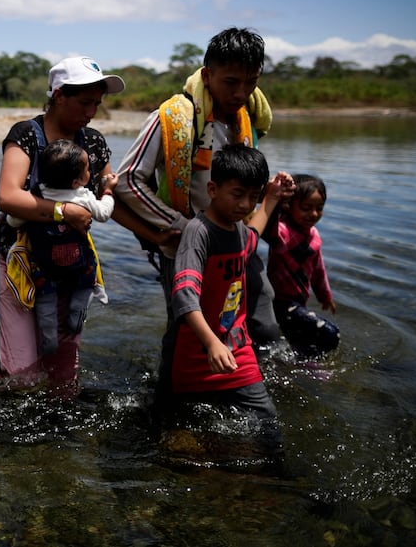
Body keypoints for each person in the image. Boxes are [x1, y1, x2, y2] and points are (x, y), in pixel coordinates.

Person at [112, 27, 281, 373]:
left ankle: (252, 378)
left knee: (261, 316)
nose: (241, 92)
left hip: (237, 242)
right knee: (185, 325)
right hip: (187, 246)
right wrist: (184, 227)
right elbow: (127, 180)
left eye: (250, 82)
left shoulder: (244, 119)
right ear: (207, 74)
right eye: (231, 81)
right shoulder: (174, 118)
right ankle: (171, 402)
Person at [0, 56, 125, 393]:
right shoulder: (27, 135)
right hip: (18, 259)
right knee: (23, 371)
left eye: (97, 103)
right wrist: (64, 211)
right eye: (84, 102)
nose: (91, 112)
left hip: (70, 263)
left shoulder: (93, 143)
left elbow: (111, 193)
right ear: (59, 95)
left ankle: (60, 430)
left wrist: (163, 235)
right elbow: (7, 197)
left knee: (64, 362)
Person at [166, 144, 294, 435]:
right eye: (237, 195)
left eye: (253, 197)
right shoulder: (198, 232)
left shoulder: (237, 228)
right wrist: (211, 343)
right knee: (182, 430)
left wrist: (270, 199)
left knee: (266, 424)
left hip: (238, 349)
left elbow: (253, 236)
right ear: (212, 189)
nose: (245, 205)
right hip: (196, 354)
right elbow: (184, 294)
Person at [6, 139, 118, 357]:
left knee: (45, 303)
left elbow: (13, 221)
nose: (90, 171)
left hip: (44, 266)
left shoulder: (37, 195)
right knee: (84, 287)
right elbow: (104, 213)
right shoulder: (83, 196)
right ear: (77, 181)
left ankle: (48, 341)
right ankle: (75, 320)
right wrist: (108, 191)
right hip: (78, 265)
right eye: (87, 168)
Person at [262, 173, 340, 357]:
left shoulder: (314, 235)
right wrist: (277, 200)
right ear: (289, 207)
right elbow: (269, 230)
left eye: (319, 208)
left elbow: (318, 270)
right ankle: (307, 363)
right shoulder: (283, 231)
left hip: (299, 302)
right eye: (306, 208)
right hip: (279, 302)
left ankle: (294, 360)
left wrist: (325, 296)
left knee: (297, 339)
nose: (313, 214)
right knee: (329, 333)